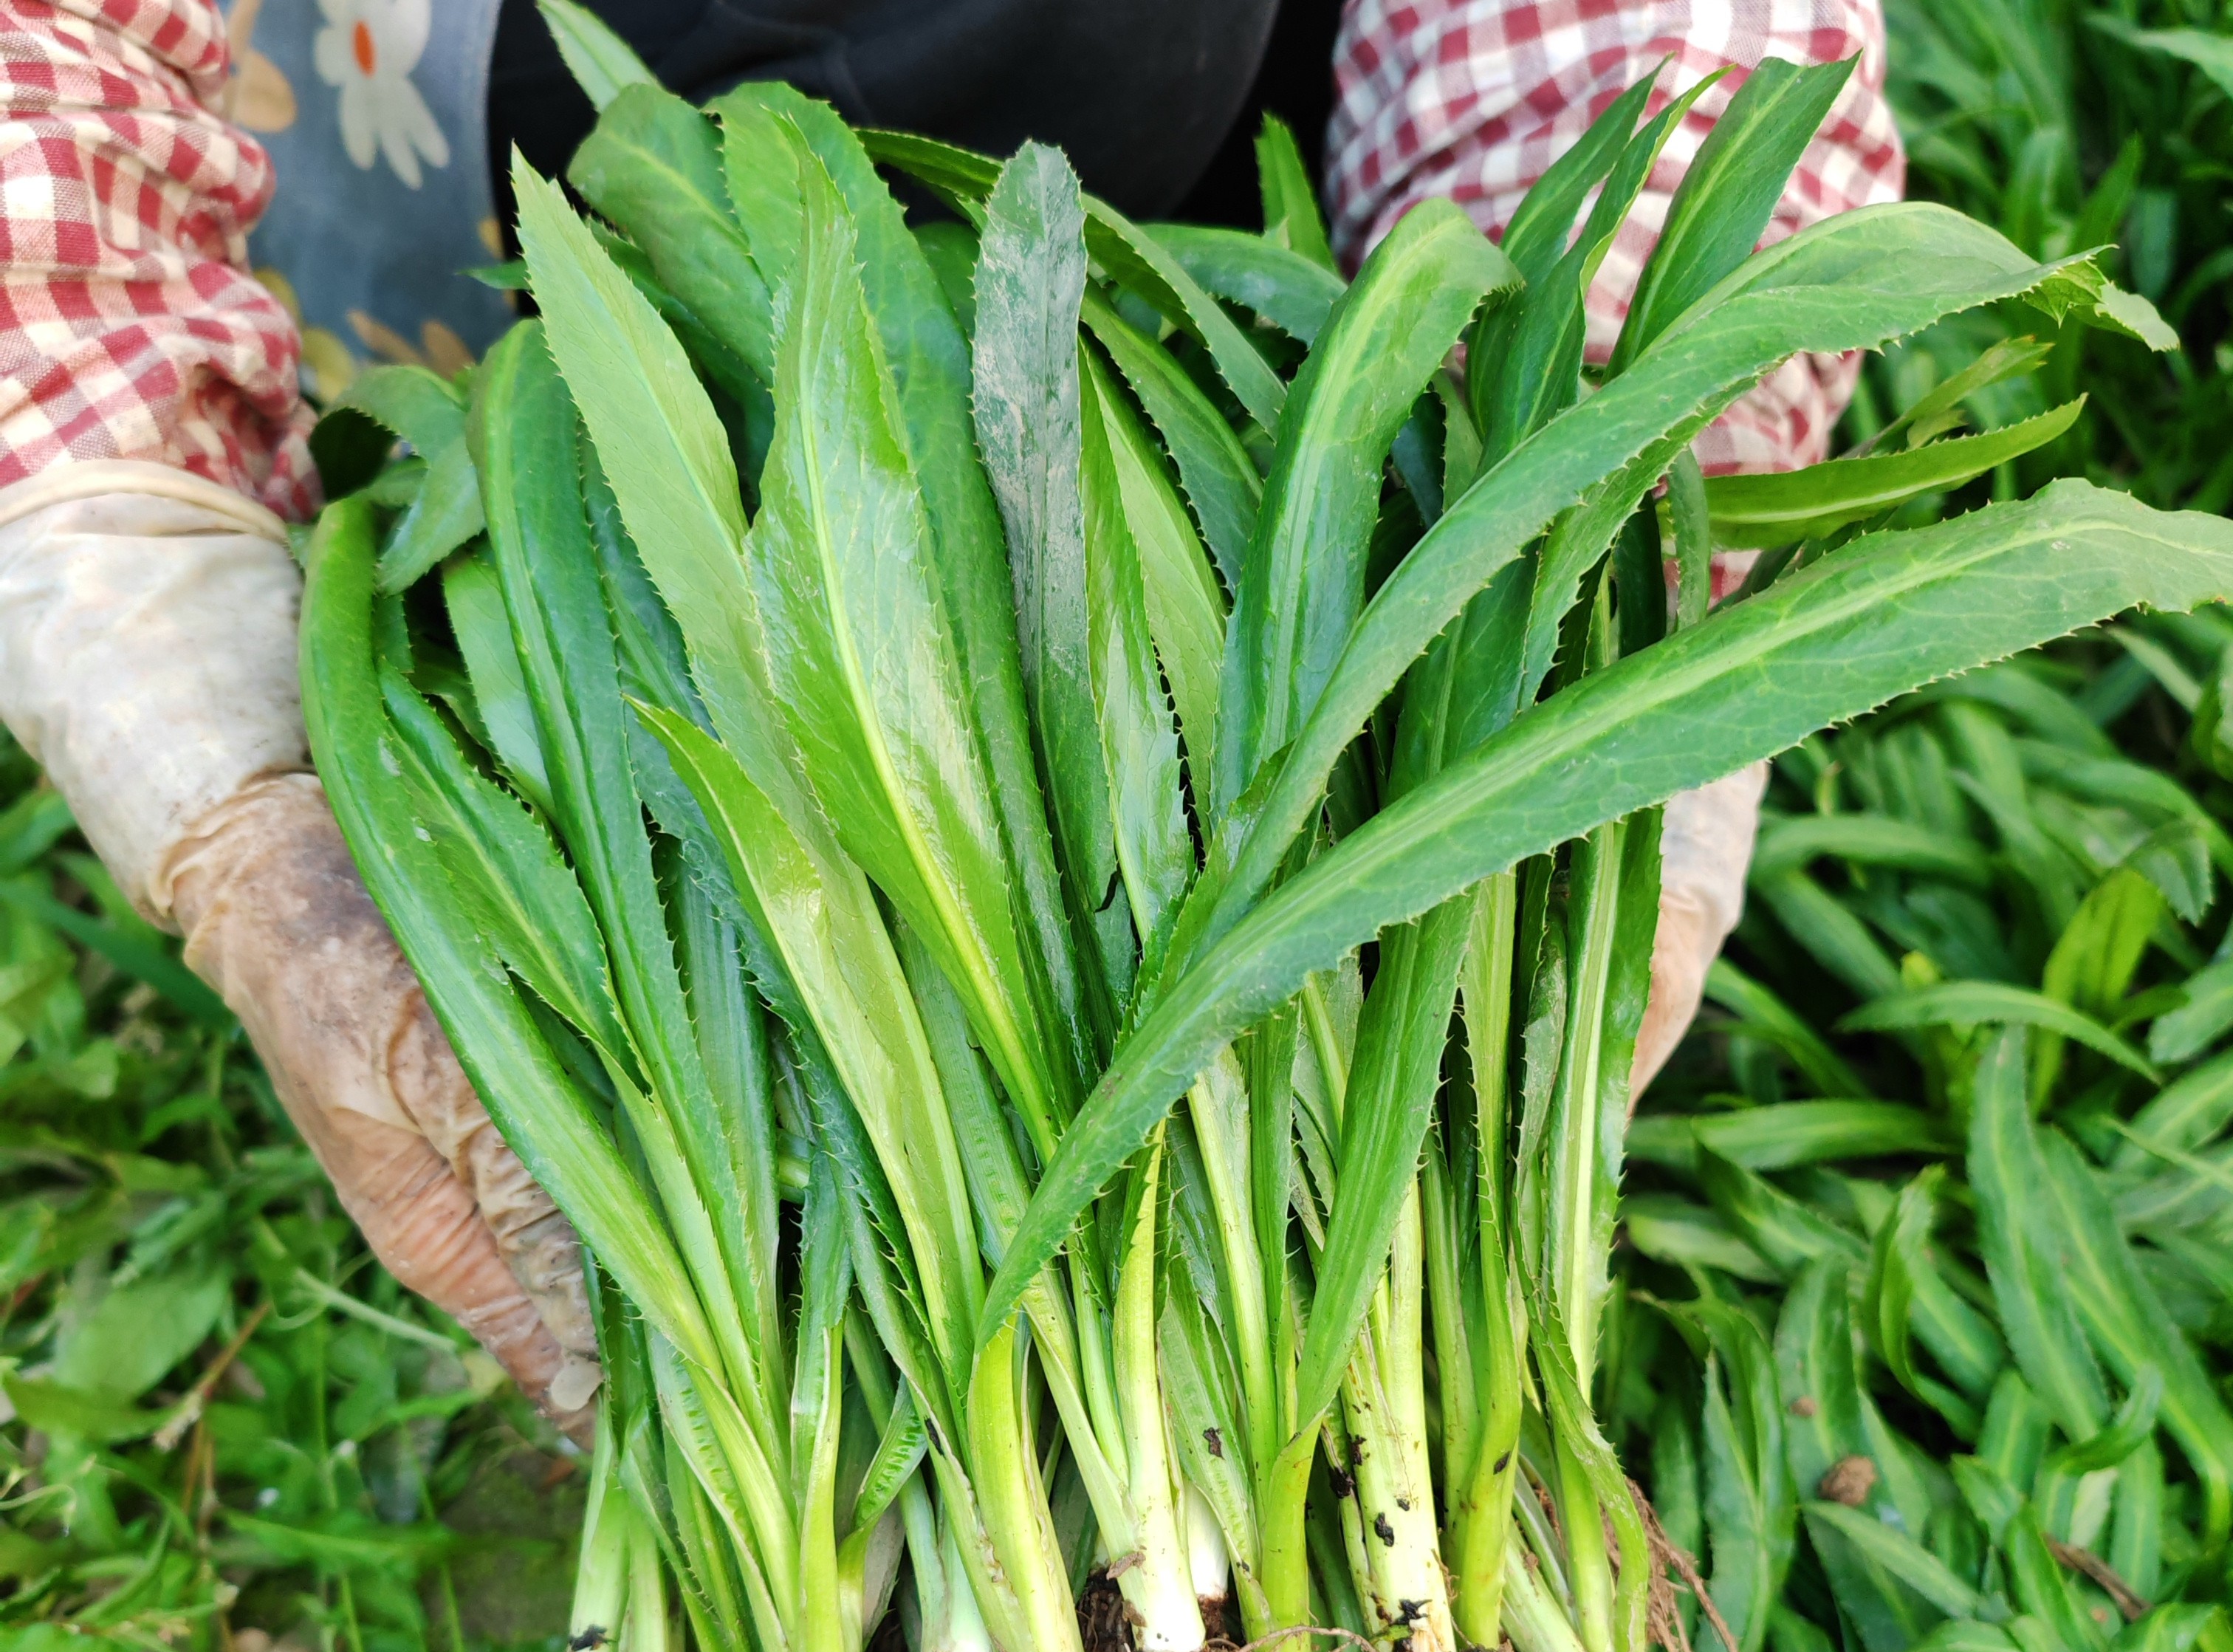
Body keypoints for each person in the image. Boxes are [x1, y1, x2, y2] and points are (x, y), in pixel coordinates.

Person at [0, 0, 1901, 1426]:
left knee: (1127, 805)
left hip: (1149, 316)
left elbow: (1624, 37)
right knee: (633, 691)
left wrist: (1611, 496)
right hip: (458, 198)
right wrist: (168, 654)